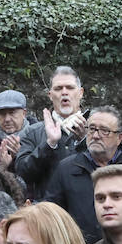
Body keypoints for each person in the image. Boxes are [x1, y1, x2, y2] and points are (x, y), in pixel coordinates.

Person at [43, 106, 122, 243]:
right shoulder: (66, 168)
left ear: (119, 138)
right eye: (91, 129)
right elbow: (51, 213)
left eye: (104, 131)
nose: (96, 136)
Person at [13, 66, 89, 195]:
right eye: (58, 88)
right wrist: (49, 144)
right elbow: (23, 175)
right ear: (50, 95)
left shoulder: (98, 128)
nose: (64, 92)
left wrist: (85, 141)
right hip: (48, 211)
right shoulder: (33, 132)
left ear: (80, 92)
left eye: (70, 88)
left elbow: (110, 168)